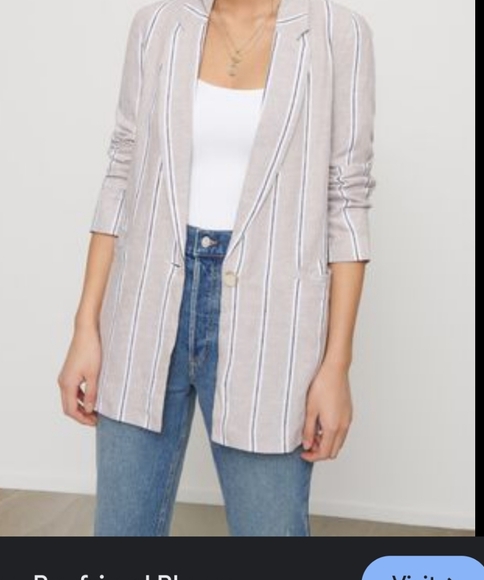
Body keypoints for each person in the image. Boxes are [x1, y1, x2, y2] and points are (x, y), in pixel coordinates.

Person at [58, 0, 376, 537]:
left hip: (270, 319)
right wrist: (85, 327)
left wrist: (336, 364)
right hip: (144, 304)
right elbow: (122, 173)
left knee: (269, 533)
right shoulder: (158, 25)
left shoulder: (337, 33)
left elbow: (346, 202)